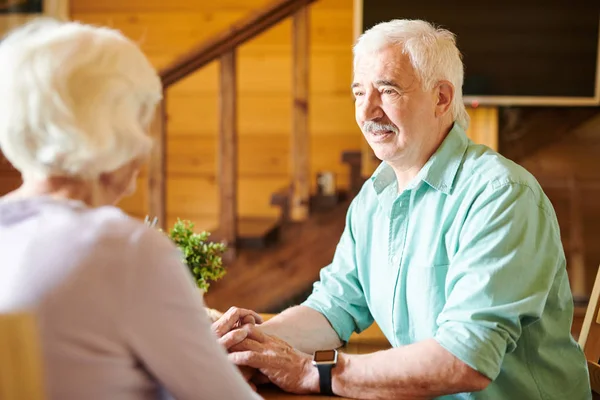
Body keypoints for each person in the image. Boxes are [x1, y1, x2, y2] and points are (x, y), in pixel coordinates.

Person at [218, 19, 591, 399]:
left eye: (387, 90)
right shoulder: (372, 198)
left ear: (442, 98)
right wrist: (250, 344)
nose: (367, 111)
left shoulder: (501, 194)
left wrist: (317, 371)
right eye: (359, 93)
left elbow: (467, 357)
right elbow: (333, 308)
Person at [0, 19, 261, 400]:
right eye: (141, 118)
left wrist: (192, 355)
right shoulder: (123, 249)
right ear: (115, 130)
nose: (146, 143)